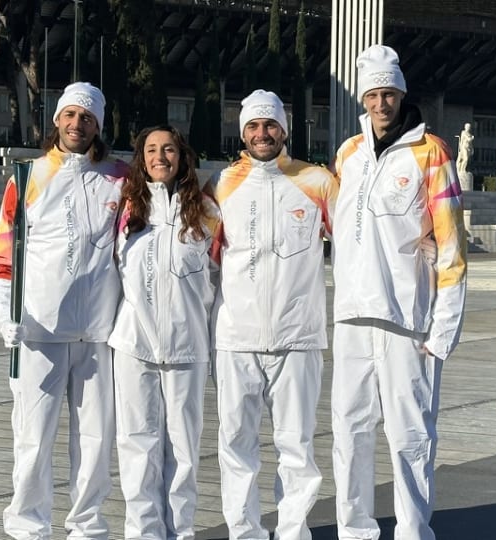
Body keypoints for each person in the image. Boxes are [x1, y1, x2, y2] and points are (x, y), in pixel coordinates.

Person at [331, 45, 467, 540]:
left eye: (389, 93)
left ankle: (413, 531)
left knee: (409, 435)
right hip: (351, 315)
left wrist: (443, 328)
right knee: (349, 432)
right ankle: (356, 530)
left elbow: (451, 242)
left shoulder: (431, 152)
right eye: (372, 94)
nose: (381, 103)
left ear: (401, 94)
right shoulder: (348, 153)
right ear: (363, 99)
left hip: (406, 321)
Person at [0, 82, 127, 540]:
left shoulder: (121, 178)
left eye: (86, 118)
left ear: (98, 125)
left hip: (99, 334)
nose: (76, 124)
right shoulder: (26, 179)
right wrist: (5, 316)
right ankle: (28, 527)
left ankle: (87, 527)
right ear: (56, 120)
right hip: (39, 331)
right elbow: (3, 256)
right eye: (69, 115)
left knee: (94, 441)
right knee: (32, 439)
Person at [211, 89, 338, 540]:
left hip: (298, 337)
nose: (262, 133)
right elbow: (201, 256)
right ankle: (244, 532)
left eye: (270, 125)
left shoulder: (317, 181)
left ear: (284, 129)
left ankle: (291, 532)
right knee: (236, 445)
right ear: (242, 131)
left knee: (296, 446)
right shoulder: (222, 184)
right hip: (235, 337)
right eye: (253, 126)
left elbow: (358, 245)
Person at [108, 125, 221, 540]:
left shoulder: (208, 212)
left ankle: (181, 532)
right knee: (138, 445)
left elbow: (222, 277)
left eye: (168, 149)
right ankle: (143, 533)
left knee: (183, 450)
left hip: (188, 347)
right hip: (134, 344)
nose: (160, 157)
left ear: (182, 155)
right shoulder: (126, 208)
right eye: (151, 150)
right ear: (141, 158)